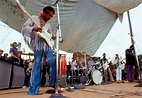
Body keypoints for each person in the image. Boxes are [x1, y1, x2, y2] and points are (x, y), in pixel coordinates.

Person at [21, 6, 56, 95]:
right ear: (44, 13)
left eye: (52, 16)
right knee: (37, 64)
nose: (50, 17)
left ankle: (52, 84)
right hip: (37, 45)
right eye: (49, 15)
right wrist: (33, 29)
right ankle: (33, 90)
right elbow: (24, 28)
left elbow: (49, 36)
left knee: (52, 60)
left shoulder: (48, 25)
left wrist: (52, 37)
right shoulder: (34, 18)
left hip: (46, 45)